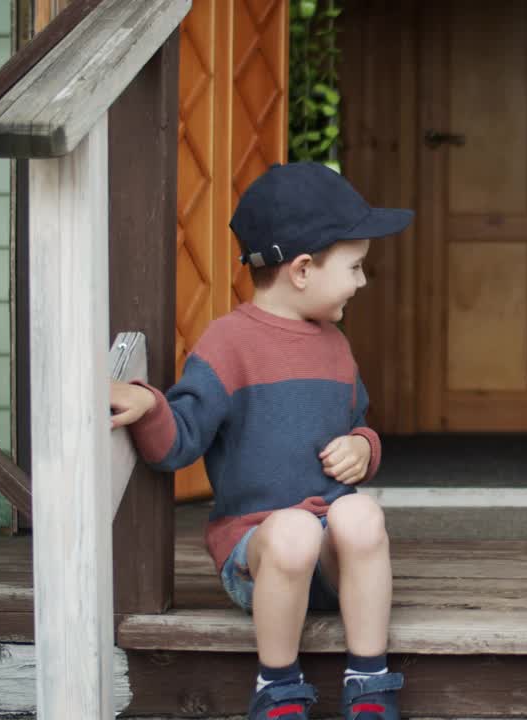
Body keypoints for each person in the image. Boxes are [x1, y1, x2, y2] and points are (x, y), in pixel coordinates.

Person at [110, 162, 412, 720]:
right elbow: (180, 442)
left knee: (363, 517)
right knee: (294, 530)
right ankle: (277, 686)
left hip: (328, 558)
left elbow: (358, 422)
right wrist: (151, 405)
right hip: (260, 558)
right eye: (356, 267)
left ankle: (368, 681)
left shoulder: (336, 345)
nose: (363, 281)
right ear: (301, 270)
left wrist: (363, 448)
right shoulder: (229, 343)